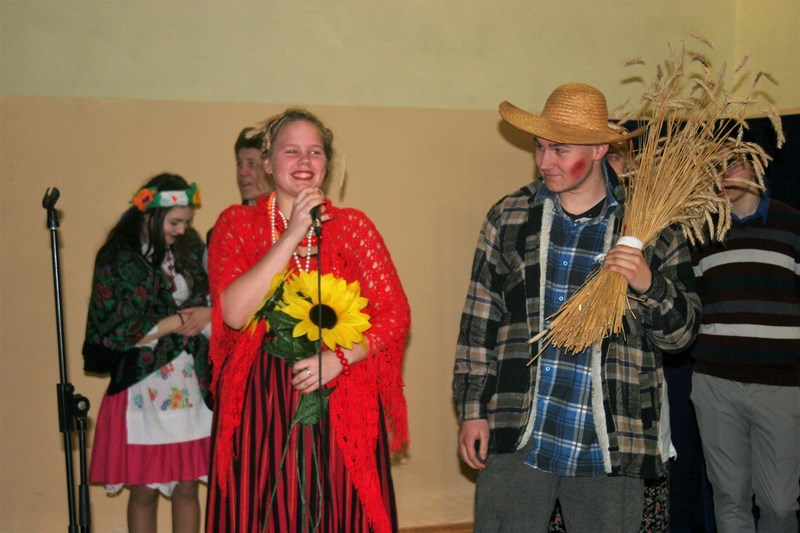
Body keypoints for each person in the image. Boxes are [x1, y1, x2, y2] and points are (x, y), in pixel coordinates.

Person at [452, 83, 700, 532]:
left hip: (609, 438)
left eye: (560, 150)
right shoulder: (510, 217)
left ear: (600, 149)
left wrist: (648, 283)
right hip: (519, 425)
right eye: (539, 146)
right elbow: (479, 319)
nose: (544, 161)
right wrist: (472, 410)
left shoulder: (651, 229)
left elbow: (682, 335)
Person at [205, 108, 410, 533]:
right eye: (291, 151)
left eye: (314, 152)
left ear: (327, 164)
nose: (304, 161)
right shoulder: (236, 224)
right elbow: (234, 314)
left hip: (342, 394)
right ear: (267, 163)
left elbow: (395, 314)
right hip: (262, 405)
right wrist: (292, 233)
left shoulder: (354, 228)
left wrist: (341, 358)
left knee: (341, 511)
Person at [82, 173, 213, 533]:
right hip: (143, 380)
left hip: (187, 382)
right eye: (175, 222)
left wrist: (204, 314)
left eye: (186, 222)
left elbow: (212, 296)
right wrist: (177, 321)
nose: (182, 230)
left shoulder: (189, 250)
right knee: (144, 489)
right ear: (150, 215)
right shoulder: (119, 258)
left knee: (187, 486)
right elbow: (118, 326)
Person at [690, 141, 800, 532]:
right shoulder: (700, 231)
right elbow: (690, 306)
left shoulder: (792, 224)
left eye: (731, 164)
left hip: (781, 384)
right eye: (713, 167)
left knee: (781, 505)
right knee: (730, 498)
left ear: (754, 165)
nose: (722, 176)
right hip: (716, 383)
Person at [234, 126, 270, 204]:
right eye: (239, 163)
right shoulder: (233, 212)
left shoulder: (290, 210)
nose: (242, 172)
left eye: (252, 164)